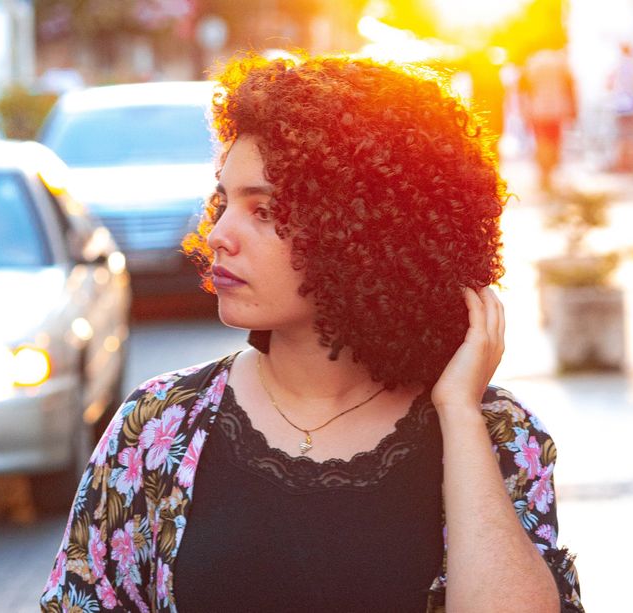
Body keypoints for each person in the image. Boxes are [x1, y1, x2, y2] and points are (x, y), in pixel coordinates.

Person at [40, 54, 584, 612]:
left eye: (264, 210)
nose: (219, 234)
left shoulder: (497, 433)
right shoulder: (159, 427)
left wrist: (460, 414)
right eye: (224, 201)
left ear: (362, 229)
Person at [518, 48, 578, 192]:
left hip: (537, 109)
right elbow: (570, 87)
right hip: (557, 108)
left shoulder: (531, 62)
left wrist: (524, 111)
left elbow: (523, 90)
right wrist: (573, 109)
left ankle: (544, 173)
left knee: (542, 141)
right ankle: (549, 171)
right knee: (554, 141)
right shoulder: (561, 62)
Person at [607, 43, 633, 172]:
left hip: (619, 105)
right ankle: (632, 163)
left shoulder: (617, 65)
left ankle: (621, 163)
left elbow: (608, 83)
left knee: (621, 135)